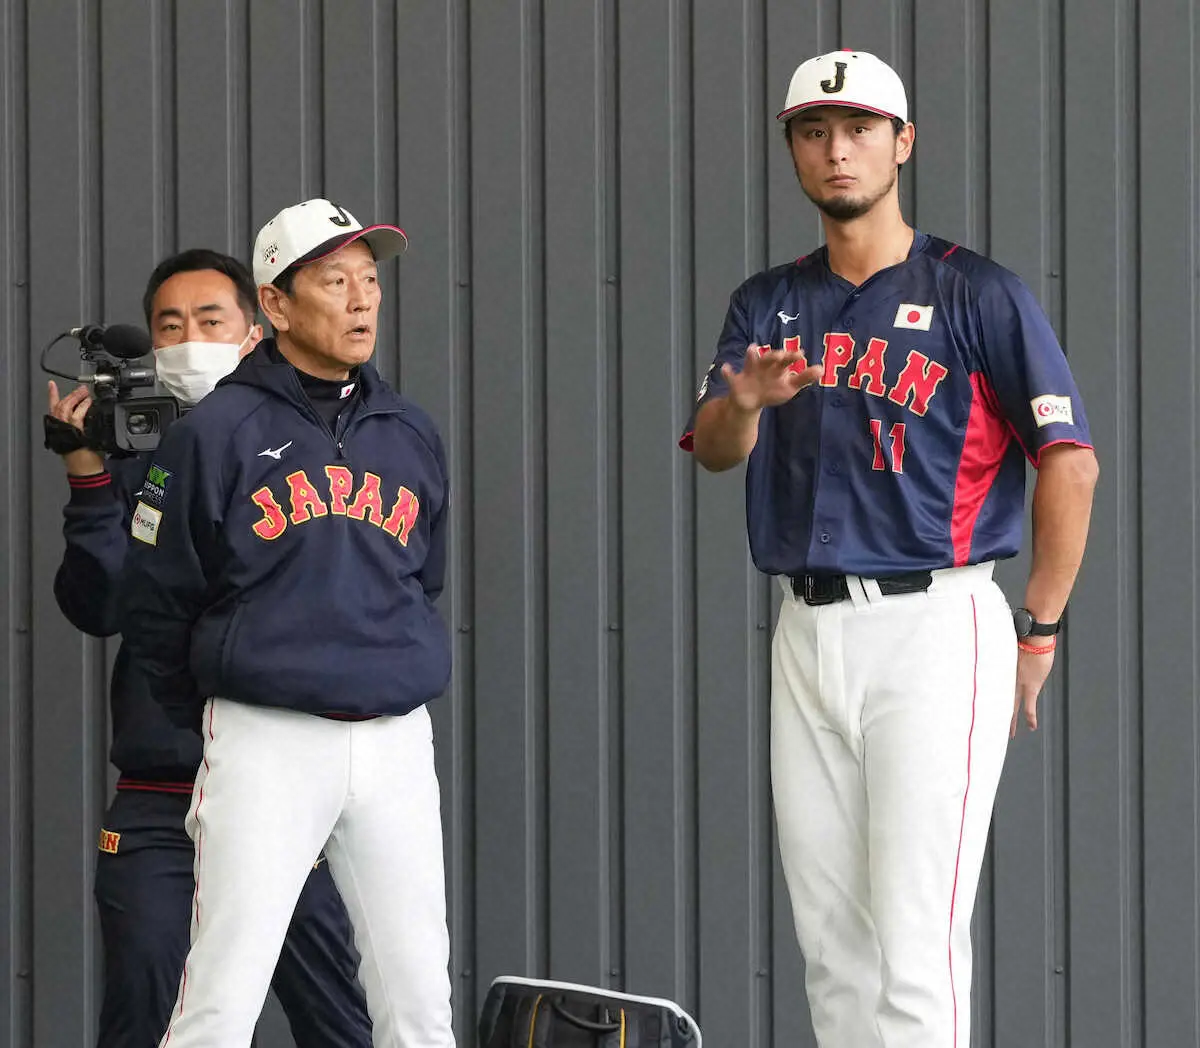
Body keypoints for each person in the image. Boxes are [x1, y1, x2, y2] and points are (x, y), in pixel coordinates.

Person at [681, 50, 1098, 1047]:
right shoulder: (766, 301)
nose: (838, 149)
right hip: (807, 629)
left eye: (861, 128)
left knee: (915, 946)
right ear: (792, 148)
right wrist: (742, 401)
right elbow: (714, 451)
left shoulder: (976, 293)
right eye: (816, 131)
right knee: (834, 950)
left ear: (902, 144)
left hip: (935, 622)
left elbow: (1069, 460)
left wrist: (1037, 631)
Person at [120, 200, 455, 1048]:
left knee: (419, 1000)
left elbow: (426, 578)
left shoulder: (408, 429)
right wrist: (222, 704)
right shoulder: (216, 430)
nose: (360, 300)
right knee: (222, 998)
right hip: (267, 737)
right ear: (275, 304)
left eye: (370, 280)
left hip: (393, 739)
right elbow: (159, 606)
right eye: (334, 280)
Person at [48, 248, 373, 1048]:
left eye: (209, 320)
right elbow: (101, 605)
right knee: (144, 1019)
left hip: (284, 792)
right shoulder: (138, 448)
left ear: (256, 330)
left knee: (339, 1023)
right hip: (162, 794)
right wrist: (88, 468)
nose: (189, 337)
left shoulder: (317, 446)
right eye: (169, 325)